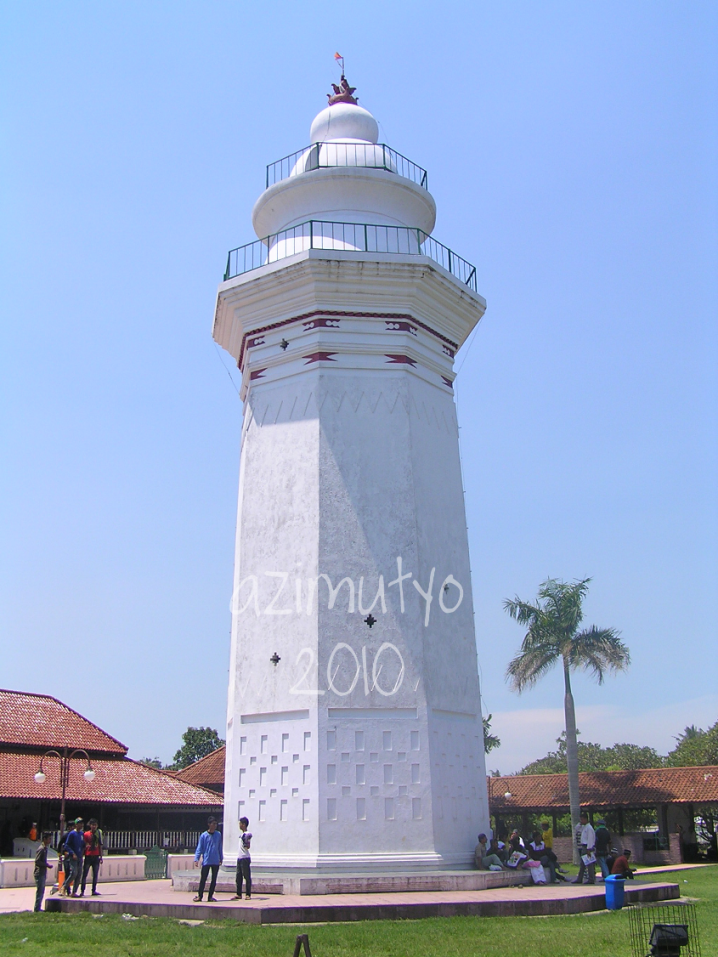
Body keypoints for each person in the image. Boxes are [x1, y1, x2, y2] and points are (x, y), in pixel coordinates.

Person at [193, 816, 223, 902]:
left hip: (215, 860)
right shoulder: (204, 835)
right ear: (209, 824)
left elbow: (219, 847)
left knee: (214, 880)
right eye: (213, 824)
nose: (215, 825)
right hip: (206, 860)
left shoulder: (218, 835)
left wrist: (221, 858)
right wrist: (197, 858)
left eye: (215, 824)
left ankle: (210, 896)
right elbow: (200, 847)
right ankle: (200, 896)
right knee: (203, 879)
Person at [572, 812, 596, 885]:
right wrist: (580, 823)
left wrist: (589, 849)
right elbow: (577, 828)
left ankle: (591, 879)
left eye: (582, 819)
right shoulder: (584, 827)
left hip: (587, 847)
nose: (581, 821)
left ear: (586, 819)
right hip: (583, 847)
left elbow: (590, 839)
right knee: (582, 864)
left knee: (589, 864)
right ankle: (580, 878)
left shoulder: (589, 828)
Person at [80, 818, 103, 896]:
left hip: (96, 855)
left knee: (95, 874)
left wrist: (101, 856)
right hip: (88, 855)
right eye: (92, 825)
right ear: (90, 825)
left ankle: (94, 890)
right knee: (85, 874)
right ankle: (82, 890)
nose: (94, 827)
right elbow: (83, 845)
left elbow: (100, 845)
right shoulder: (86, 834)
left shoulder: (98, 834)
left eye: (95, 825)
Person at [232, 816, 252, 900]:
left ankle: (248, 894)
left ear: (243, 824)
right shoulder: (241, 835)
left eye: (240, 823)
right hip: (239, 857)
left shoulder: (246, 834)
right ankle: (238, 893)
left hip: (245, 857)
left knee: (246, 876)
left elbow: (248, 844)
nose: (239, 825)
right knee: (238, 877)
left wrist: (246, 840)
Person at [63, 818, 85, 897]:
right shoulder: (72, 834)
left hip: (80, 856)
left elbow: (83, 844)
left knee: (79, 874)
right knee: (73, 873)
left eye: (82, 823)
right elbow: (66, 845)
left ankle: (74, 892)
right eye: (79, 823)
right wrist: (72, 853)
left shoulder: (82, 834)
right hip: (73, 857)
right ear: (76, 825)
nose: (81, 825)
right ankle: (64, 886)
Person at [33, 832, 54, 912]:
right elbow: (37, 861)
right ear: (44, 839)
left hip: (43, 872)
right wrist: (46, 865)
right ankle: (37, 908)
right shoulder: (41, 849)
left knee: (42, 891)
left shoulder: (45, 848)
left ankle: (38, 907)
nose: (50, 840)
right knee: (40, 891)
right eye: (49, 839)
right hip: (39, 873)